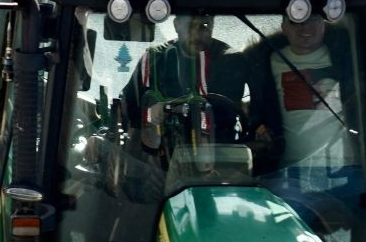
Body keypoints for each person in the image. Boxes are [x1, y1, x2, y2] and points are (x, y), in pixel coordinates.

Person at [250, 14, 364, 235]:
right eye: (296, 21)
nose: (306, 29)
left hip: (347, 169)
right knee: (287, 234)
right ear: (283, 26)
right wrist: (261, 129)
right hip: (291, 173)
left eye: (313, 20)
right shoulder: (267, 61)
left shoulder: (348, 58)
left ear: (324, 23)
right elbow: (260, 109)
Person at [120, 13, 255, 145]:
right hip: (162, 154)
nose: (197, 34)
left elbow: (223, 111)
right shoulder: (153, 59)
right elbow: (129, 106)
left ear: (213, 25)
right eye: (191, 26)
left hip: (218, 151)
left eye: (204, 26)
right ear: (177, 25)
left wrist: (165, 107)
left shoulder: (230, 61)